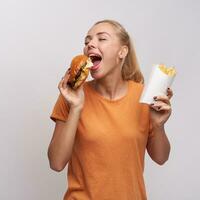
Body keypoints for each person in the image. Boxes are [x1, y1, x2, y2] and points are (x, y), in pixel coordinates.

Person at [47, 19, 173, 200]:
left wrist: (158, 125)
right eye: (87, 41)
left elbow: (161, 158)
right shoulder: (72, 95)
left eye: (101, 39)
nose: (90, 44)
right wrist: (76, 108)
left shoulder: (144, 96)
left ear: (122, 51)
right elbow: (56, 162)